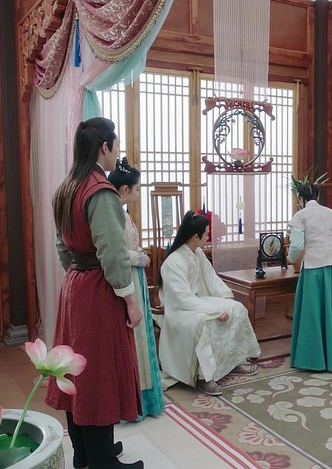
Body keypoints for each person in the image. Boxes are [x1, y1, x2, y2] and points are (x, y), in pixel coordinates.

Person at [46, 117, 143, 469]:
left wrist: (77, 274)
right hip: (98, 291)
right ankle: (102, 460)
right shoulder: (99, 190)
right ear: (105, 147)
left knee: (76, 372)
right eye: (116, 146)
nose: (117, 152)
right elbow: (113, 253)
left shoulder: (66, 187)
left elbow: (62, 246)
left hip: (74, 286)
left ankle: (85, 454)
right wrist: (130, 300)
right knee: (98, 372)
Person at [158, 210, 261, 396]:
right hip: (180, 311)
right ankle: (203, 377)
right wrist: (213, 311)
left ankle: (235, 362)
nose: (208, 237)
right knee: (204, 323)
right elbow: (182, 298)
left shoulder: (197, 253)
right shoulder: (173, 262)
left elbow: (211, 278)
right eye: (206, 234)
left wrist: (225, 297)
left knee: (237, 308)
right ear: (196, 237)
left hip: (196, 303)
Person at [108, 158, 164, 419]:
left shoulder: (123, 213)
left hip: (135, 277)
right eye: (137, 189)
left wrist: (139, 253)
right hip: (127, 278)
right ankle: (134, 400)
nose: (138, 193)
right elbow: (115, 252)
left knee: (141, 338)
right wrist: (139, 258)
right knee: (134, 339)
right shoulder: (115, 214)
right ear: (124, 190)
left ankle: (143, 398)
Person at [287, 183, 332, 371]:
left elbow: (296, 246)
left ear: (300, 199)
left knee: (313, 313)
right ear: (317, 196)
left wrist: (290, 259)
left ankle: (315, 360)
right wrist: (330, 249)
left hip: (315, 268)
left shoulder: (300, 215)